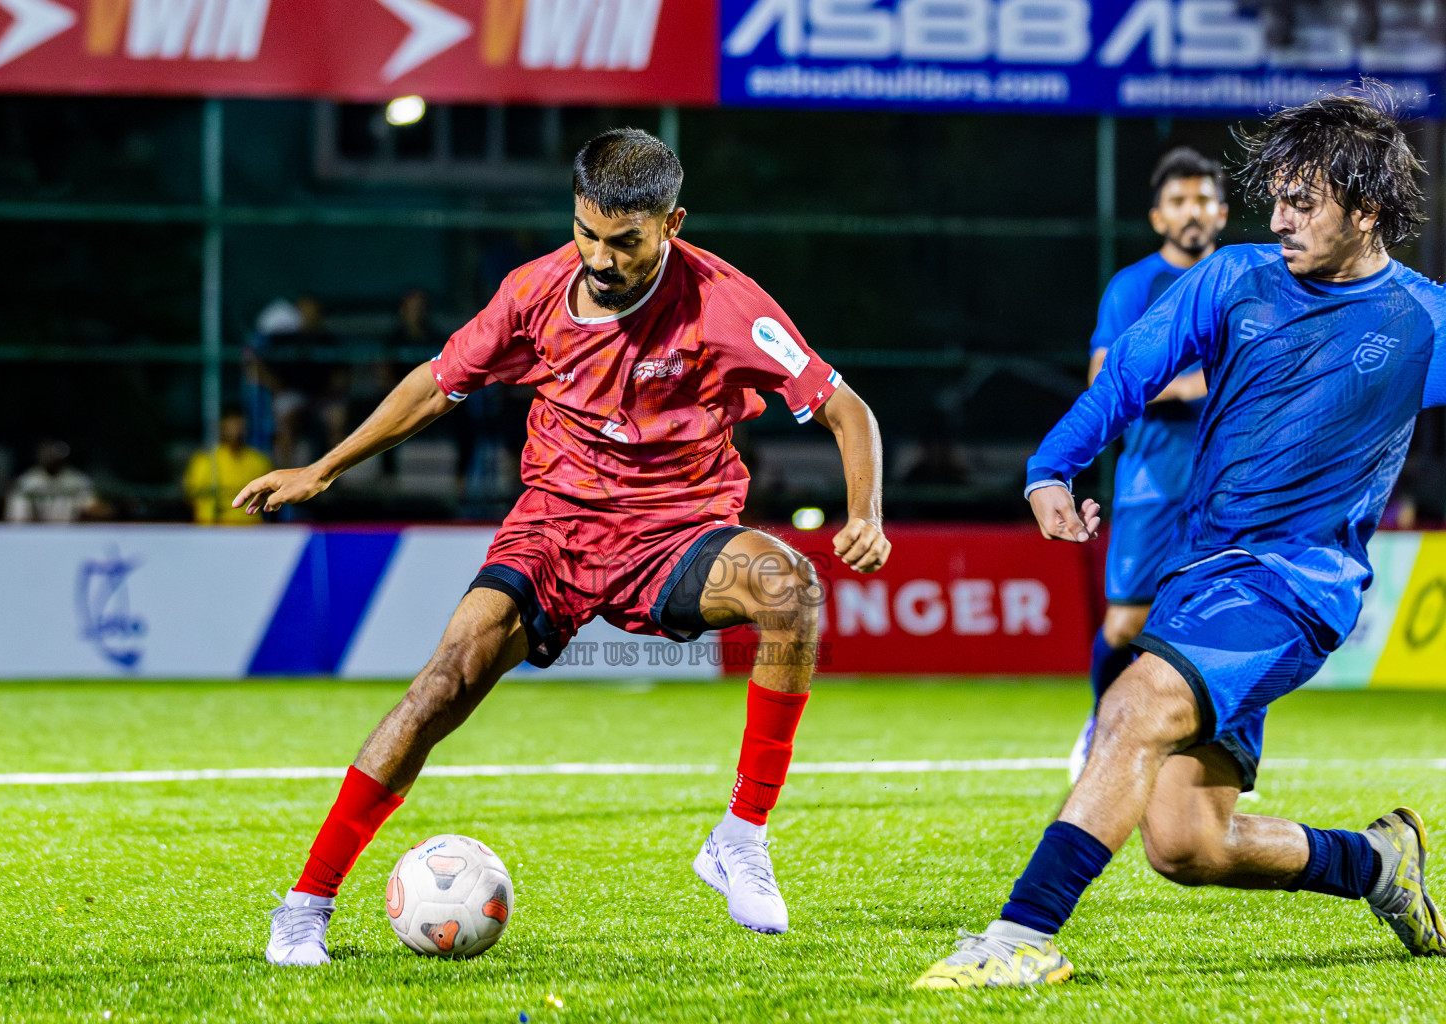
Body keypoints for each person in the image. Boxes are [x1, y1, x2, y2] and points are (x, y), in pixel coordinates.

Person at [237, 128, 891, 966]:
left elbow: (847, 408)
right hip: (558, 525)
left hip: (676, 530)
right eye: (588, 233)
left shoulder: (726, 304)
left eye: (627, 241)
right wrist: (324, 468)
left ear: (672, 224)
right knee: (444, 683)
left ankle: (740, 836)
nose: (603, 258)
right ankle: (305, 906)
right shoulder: (534, 292)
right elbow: (436, 384)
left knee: (790, 588)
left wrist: (863, 512)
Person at [917, 87, 1446, 990]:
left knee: (1131, 705)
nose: (1277, 219)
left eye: (1302, 201)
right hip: (1202, 577)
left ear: (1366, 210)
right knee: (1188, 844)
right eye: (1273, 197)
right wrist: (1052, 469)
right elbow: (1127, 374)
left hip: (1293, 586)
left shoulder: (1425, 319)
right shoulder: (1233, 279)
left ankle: (1019, 937)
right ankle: (1376, 864)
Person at [1069, 148, 1230, 783]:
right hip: (1154, 481)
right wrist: (1190, 388)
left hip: (1233, 486)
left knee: (1218, 617)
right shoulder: (1135, 286)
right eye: (1179, 202)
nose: (1193, 212)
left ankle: (1203, 752)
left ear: (1221, 211)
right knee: (1128, 621)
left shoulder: (1247, 280)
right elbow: (1101, 378)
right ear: (1158, 217)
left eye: (1203, 200)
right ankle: (1100, 720)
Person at [184, 412, 274, 526]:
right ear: (222, 428)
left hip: (250, 526)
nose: (237, 431)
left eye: (241, 427)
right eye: (232, 426)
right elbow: (191, 494)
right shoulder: (206, 460)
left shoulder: (259, 461)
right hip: (212, 527)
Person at [6, 439, 107, 523]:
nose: (52, 459)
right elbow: (17, 517)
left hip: (69, 532)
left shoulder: (77, 480)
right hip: (36, 533)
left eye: (55, 456)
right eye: (48, 455)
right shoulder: (28, 480)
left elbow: (91, 507)